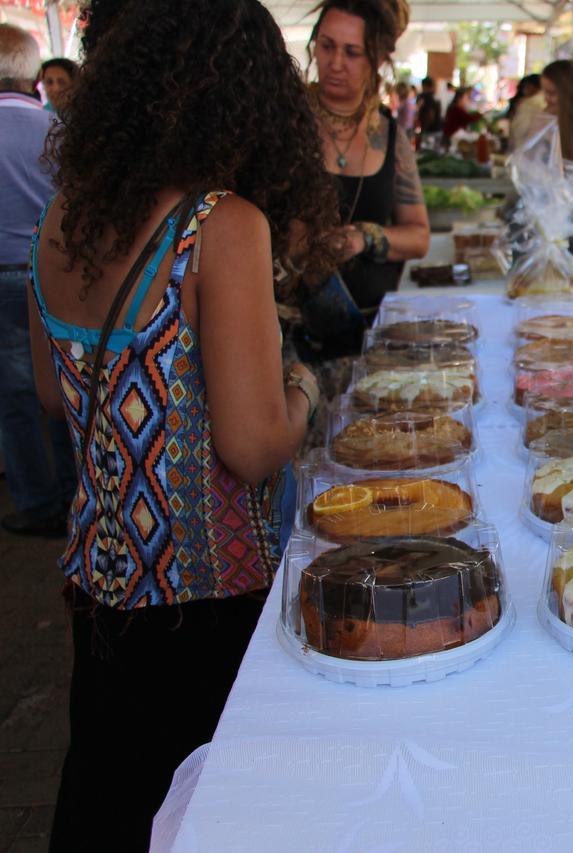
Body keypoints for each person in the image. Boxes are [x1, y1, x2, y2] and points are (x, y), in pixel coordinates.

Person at [28, 0, 338, 847]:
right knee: (208, 811)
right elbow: (252, 446)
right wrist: (303, 390)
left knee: (108, 794)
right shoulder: (221, 225)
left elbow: (59, 399)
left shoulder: (65, 218)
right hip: (206, 601)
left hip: (104, 585)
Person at [0, 25, 76, 537]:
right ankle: (72, 493)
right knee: (58, 389)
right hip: (49, 270)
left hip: (3, 269)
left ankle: (35, 501)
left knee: (16, 397)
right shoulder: (56, 132)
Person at [308, 0, 429, 314]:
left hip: (367, 331)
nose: (335, 63)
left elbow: (418, 237)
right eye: (326, 46)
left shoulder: (391, 138)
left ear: (376, 58)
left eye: (352, 52)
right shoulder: (284, 122)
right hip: (288, 333)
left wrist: (365, 238)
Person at [507, 73, 546, 151]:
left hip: (524, 150)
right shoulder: (533, 103)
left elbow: (520, 131)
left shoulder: (530, 104)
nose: (525, 90)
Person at [417, 75, 443, 145]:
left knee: (427, 152)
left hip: (429, 130)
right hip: (438, 129)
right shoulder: (436, 96)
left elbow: (430, 115)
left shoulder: (425, 97)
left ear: (424, 85)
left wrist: (424, 129)